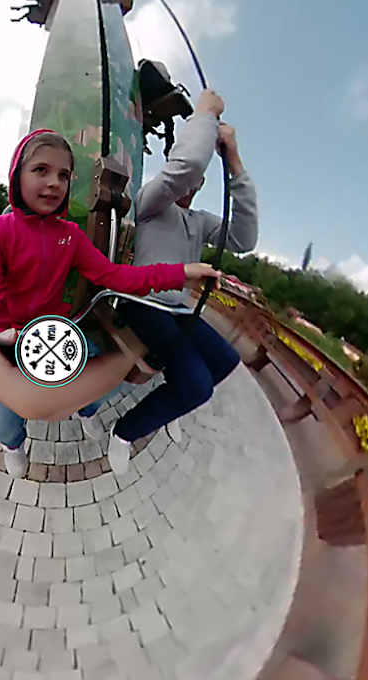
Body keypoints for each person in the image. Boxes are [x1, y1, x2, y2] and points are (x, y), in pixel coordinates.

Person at [0, 129, 219, 478]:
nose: (54, 183)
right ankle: (13, 444)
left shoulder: (70, 236)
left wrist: (181, 273)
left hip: (55, 332)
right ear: (17, 175)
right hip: (6, 338)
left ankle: (86, 410)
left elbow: (116, 276)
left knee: (104, 373)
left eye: (63, 175)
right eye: (41, 170)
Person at [103, 88, 259, 474]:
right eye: (186, 180)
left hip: (177, 309)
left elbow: (244, 239)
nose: (189, 187)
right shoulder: (152, 203)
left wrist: (234, 162)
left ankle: (170, 405)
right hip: (142, 300)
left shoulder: (199, 222)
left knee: (225, 362)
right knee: (196, 385)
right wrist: (204, 114)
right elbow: (184, 169)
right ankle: (124, 432)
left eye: (197, 183)